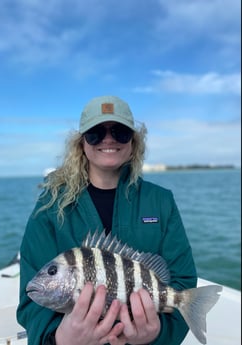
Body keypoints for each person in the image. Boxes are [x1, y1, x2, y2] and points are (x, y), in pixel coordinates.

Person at [17, 95, 197, 345]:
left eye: (120, 132)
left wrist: (156, 334)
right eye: (95, 133)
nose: (108, 139)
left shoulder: (161, 201)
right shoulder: (49, 205)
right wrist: (60, 338)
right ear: (81, 144)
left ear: (133, 143)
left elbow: (183, 281)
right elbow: (30, 303)